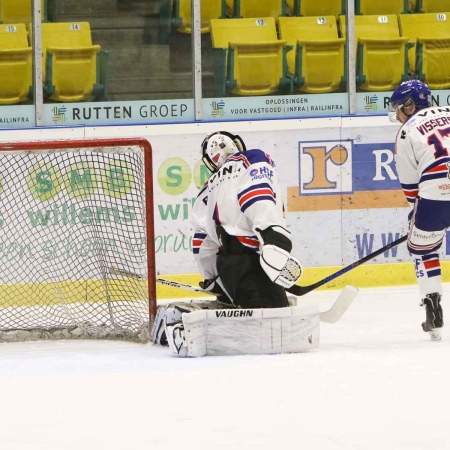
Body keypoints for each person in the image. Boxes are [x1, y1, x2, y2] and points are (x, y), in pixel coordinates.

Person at [191, 130, 302, 309]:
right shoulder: (252, 158)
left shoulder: (207, 189)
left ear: (210, 162)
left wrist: (214, 281)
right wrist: (272, 234)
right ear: (237, 144)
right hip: (254, 264)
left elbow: (201, 245)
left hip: (228, 268)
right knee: (271, 329)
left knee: (248, 327)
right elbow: (257, 196)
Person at [389, 79, 449, 340]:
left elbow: (412, 192)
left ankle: (432, 304)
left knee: (423, 249)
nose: (397, 113)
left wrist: (417, 219)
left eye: (399, 107)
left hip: (437, 195)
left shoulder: (406, 132)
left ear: (410, 105)